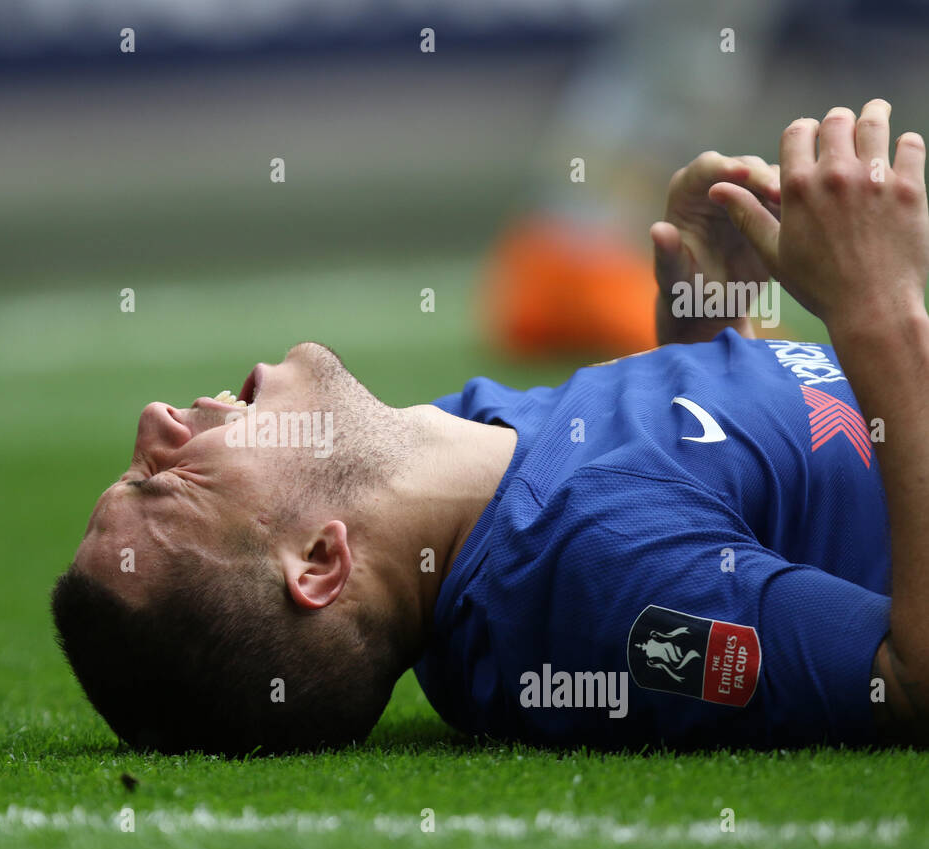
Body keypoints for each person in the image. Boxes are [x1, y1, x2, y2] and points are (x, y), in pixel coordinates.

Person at [52, 99, 928, 755]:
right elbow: (908, 683)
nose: (155, 420)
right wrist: (876, 306)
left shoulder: (469, 464)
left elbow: (747, 504)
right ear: (320, 562)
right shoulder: (598, 575)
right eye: (164, 480)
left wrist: (716, 325)